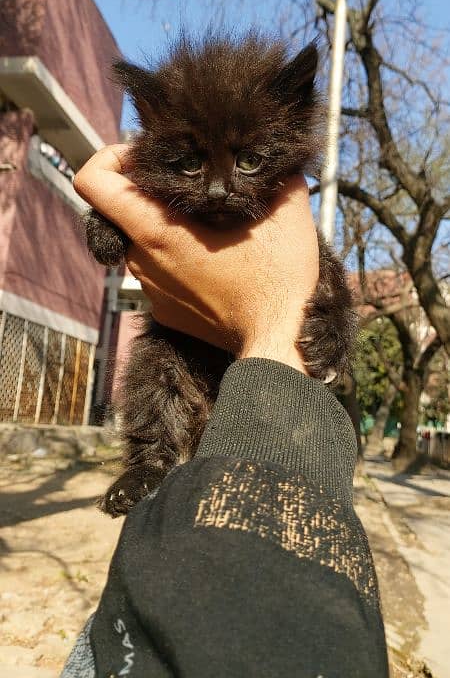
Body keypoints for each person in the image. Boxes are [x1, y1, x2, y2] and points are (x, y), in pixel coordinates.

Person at [62, 145, 388, 677]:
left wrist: (299, 328)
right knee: (155, 362)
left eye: (248, 165)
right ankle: (150, 460)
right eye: (190, 165)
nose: (217, 189)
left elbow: (322, 283)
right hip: (190, 366)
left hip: (250, 404)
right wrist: (109, 220)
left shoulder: (286, 210)